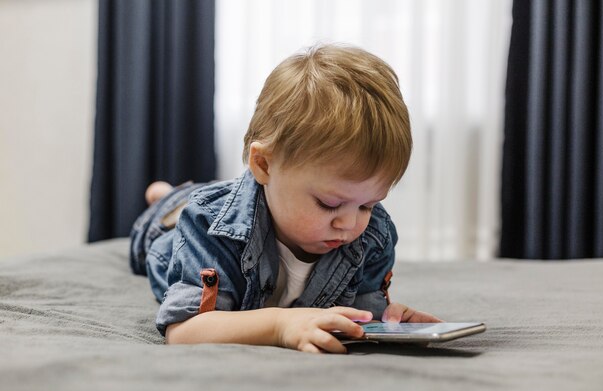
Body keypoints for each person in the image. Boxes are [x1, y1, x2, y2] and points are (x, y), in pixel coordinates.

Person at [130, 44, 441, 354]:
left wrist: (387, 321)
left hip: (241, 197)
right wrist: (281, 325)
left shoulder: (374, 234)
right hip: (171, 232)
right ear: (264, 165)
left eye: (367, 205)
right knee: (165, 226)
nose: (350, 224)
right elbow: (183, 331)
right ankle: (165, 197)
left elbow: (358, 312)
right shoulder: (206, 223)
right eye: (329, 204)